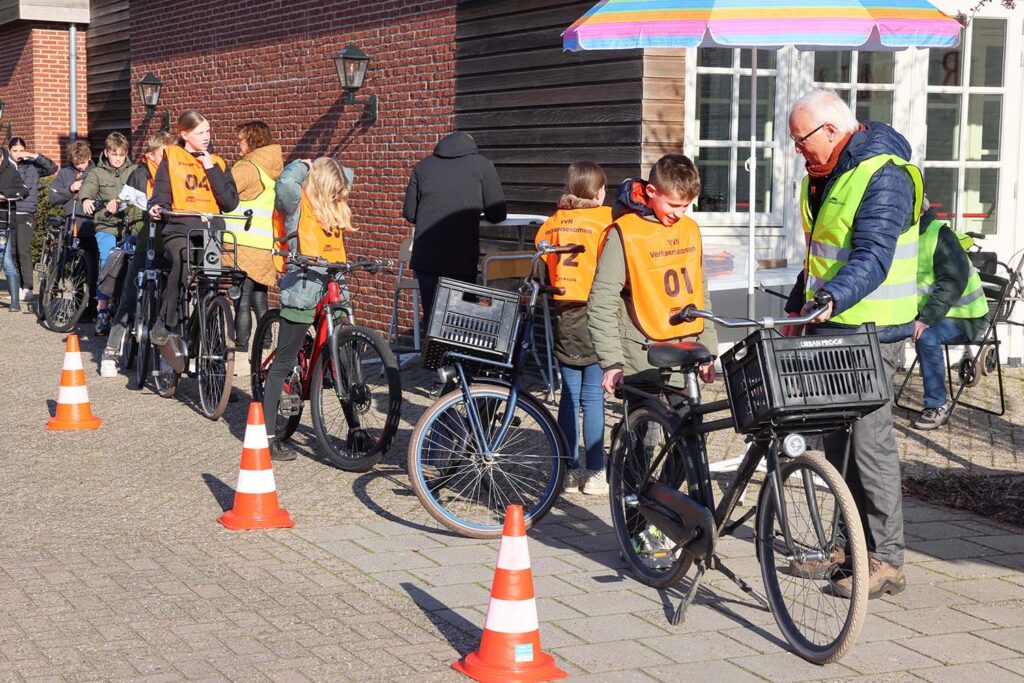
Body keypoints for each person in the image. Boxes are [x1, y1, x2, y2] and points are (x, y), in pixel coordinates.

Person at [783, 88, 922, 599]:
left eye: (802, 140)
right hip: (832, 325)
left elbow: (873, 254)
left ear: (832, 131)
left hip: (872, 331)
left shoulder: (884, 175)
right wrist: (801, 307)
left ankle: (886, 559)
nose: (798, 150)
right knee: (834, 441)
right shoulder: (822, 179)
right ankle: (848, 546)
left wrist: (832, 299)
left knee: (870, 444)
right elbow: (819, 258)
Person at [587, 153, 718, 394]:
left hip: (685, 351)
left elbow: (700, 293)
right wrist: (612, 363)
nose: (679, 213)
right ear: (651, 192)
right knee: (646, 427)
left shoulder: (689, 229)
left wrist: (708, 350)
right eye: (673, 205)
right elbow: (601, 303)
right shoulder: (625, 233)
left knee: (688, 428)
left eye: (686, 206)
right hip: (641, 355)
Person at [263, 157, 355, 462]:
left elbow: (348, 177)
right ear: (319, 187)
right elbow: (284, 183)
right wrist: (304, 165)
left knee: (344, 359)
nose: (337, 198)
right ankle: (268, 436)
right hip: (301, 291)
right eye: (332, 191)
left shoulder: (335, 204)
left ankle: (354, 428)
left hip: (332, 289)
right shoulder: (296, 202)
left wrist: (332, 169)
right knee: (284, 360)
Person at [534, 162, 612, 495]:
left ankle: (567, 469)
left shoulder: (554, 222)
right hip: (595, 313)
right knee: (594, 395)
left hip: (564, 313)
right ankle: (594, 472)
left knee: (569, 394)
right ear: (599, 193)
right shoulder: (606, 222)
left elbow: (539, 257)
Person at [148, 110, 239, 346]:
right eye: (200, 132)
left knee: (211, 278)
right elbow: (160, 193)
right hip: (180, 228)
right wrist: (157, 207)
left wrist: (210, 168)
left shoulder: (217, 162)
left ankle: (207, 331)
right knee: (183, 261)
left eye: (208, 131)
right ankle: (166, 321)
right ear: (185, 134)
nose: (206, 136)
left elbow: (229, 203)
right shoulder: (172, 157)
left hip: (210, 230)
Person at [403, 131, 506, 331]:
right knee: (461, 318)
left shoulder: (423, 166)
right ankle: (458, 360)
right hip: (461, 256)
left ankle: (433, 361)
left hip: (427, 257)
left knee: (433, 318)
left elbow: (410, 213)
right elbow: (497, 213)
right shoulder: (482, 165)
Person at [100, 131, 177, 377]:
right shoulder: (140, 174)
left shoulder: (178, 172)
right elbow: (123, 201)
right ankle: (111, 350)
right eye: (163, 154)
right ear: (152, 154)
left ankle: (167, 353)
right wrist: (115, 204)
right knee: (130, 297)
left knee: (172, 299)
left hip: (170, 242)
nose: (167, 158)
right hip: (146, 241)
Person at [910, 197, 990, 430]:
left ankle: (937, 406)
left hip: (967, 317)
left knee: (926, 337)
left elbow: (952, 283)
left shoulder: (940, 235)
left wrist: (925, 320)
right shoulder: (906, 235)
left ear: (918, 212)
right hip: (935, 314)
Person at [225, 121, 283, 371]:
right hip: (263, 243)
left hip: (243, 243)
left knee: (242, 300)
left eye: (240, 139)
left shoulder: (247, 168)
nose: (238, 144)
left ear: (252, 140)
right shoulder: (271, 169)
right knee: (259, 297)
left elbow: (224, 194)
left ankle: (241, 350)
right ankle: (267, 343)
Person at [80, 132, 138, 336]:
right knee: (107, 262)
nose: (118, 158)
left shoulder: (134, 170)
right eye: (114, 154)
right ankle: (102, 311)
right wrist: (86, 199)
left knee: (139, 263)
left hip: (130, 224)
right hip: (107, 224)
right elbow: (87, 188)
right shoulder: (97, 172)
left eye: (122, 154)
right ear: (106, 152)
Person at [7, 137, 57, 306]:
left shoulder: (32, 166)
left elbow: (52, 168)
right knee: (11, 252)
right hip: (9, 212)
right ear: (9, 151)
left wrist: (32, 155)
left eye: (21, 150)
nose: (18, 154)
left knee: (23, 249)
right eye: (15, 151)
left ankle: (28, 287)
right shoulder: (6, 167)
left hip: (26, 212)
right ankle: (18, 287)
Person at [48, 140, 96, 311]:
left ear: (89, 157)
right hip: (69, 225)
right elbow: (52, 197)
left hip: (88, 226)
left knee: (89, 269)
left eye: (83, 162)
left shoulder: (95, 172)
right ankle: (52, 299)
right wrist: (70, 189)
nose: (81, 166)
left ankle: (90, 308)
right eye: (77, 163)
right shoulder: (65, 174)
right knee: (65, 265)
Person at [0, 146, 28, 311]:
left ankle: (15, 302)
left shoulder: (11, 172)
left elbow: (23, 191)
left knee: (6, 260)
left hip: (4, 222)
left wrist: (4, 195)